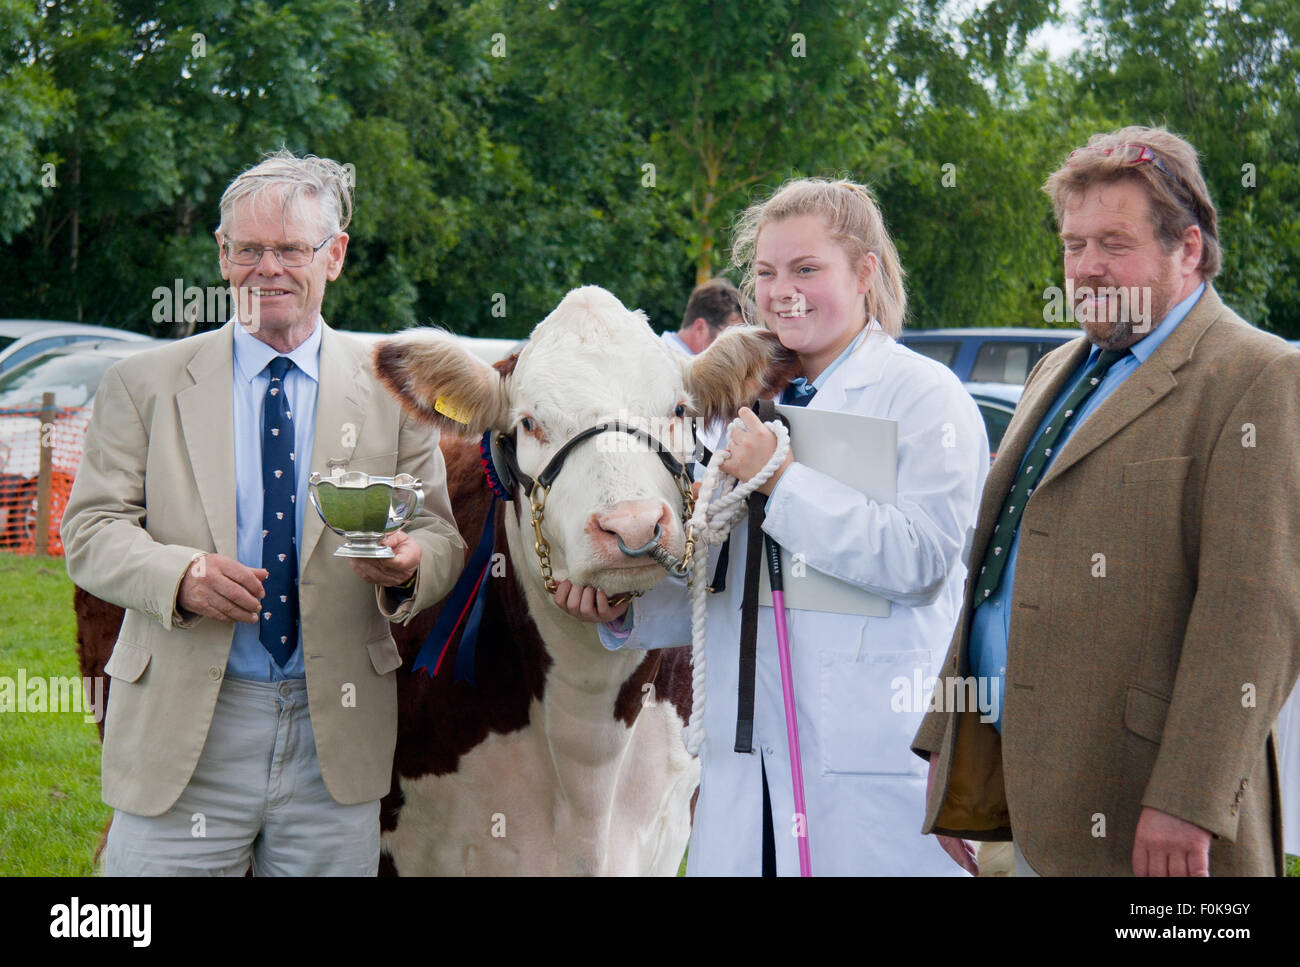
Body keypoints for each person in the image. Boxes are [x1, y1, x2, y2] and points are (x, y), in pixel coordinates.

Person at [556, 178, 989, 875]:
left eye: (806, 269)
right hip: (742, 778)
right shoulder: (732, 409)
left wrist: (784, 479)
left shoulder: (923, 396)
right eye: (765, 273)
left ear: (866, 272)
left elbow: (922, 559)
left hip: (867, 777)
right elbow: (720, 584)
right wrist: (622, 609)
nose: (781, 290)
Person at [61, 150, 465, 876]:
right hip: (186, 734)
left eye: (290, 249)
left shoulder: (391, 390)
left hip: (332, 740)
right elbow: (89, 532)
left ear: (334, 255)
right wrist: (178, 573)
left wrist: (407, 567)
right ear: (221, 255)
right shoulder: (142, 384)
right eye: (248, 249)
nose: (267, 269)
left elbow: (439, 535)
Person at [912, 125, 1300, 877]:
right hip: (1020, 793)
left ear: (1188, 248)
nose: (1085, 268)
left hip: (1151, 818)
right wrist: (951, 745)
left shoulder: (1258, 375)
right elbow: (995, 569)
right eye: (1072, 244)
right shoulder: (1059, 366)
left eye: (1114, 244)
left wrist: (1188, 797)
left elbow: (1256, 612)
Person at [662, 277, 747, 356]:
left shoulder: (662, 355)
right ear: (700, 328)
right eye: (730, 342)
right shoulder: (668, 366)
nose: (734, 355)